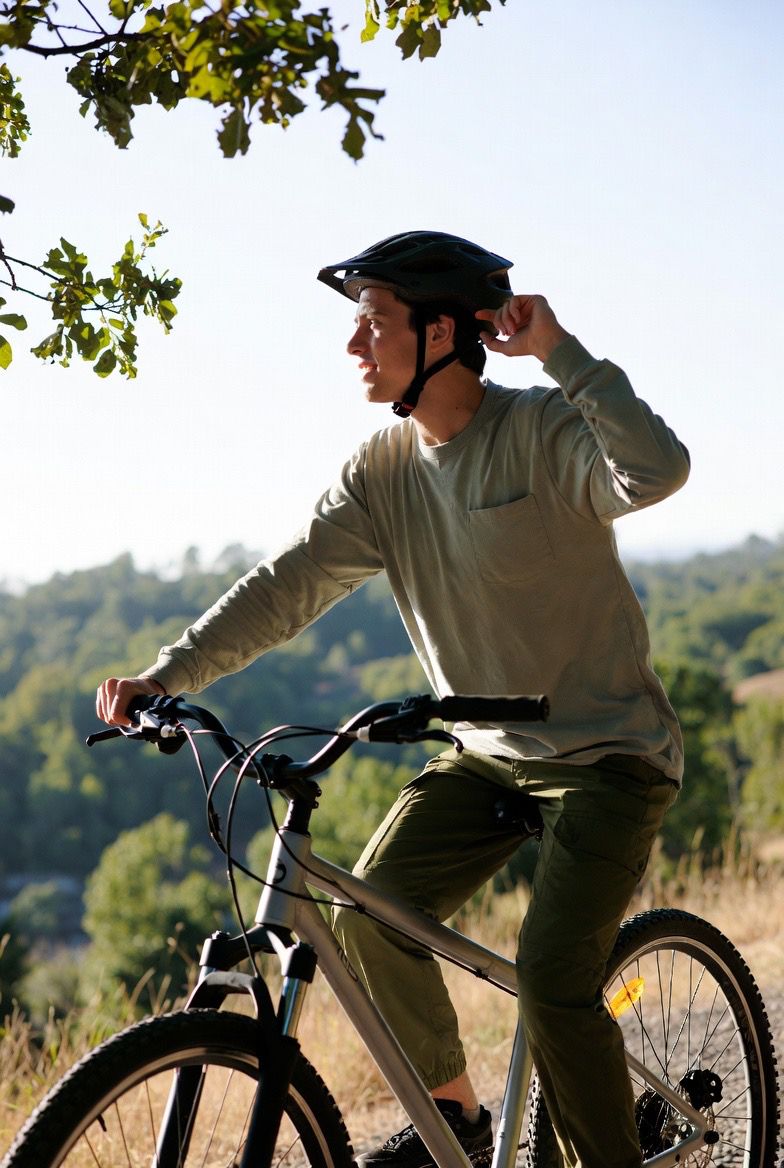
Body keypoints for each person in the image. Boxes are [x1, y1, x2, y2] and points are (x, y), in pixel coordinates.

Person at [97, 230, 690, 1168]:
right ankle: (457, 1119)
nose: (353, 346)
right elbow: (286, 585)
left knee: (551, 979)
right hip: (485, 755)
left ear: (444, 329)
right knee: (366, 910)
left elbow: (656, 471)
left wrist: (560, 352)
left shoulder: (538, 432)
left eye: (374, 322)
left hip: (607, 759)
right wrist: (169, 675)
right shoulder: (380, 470)